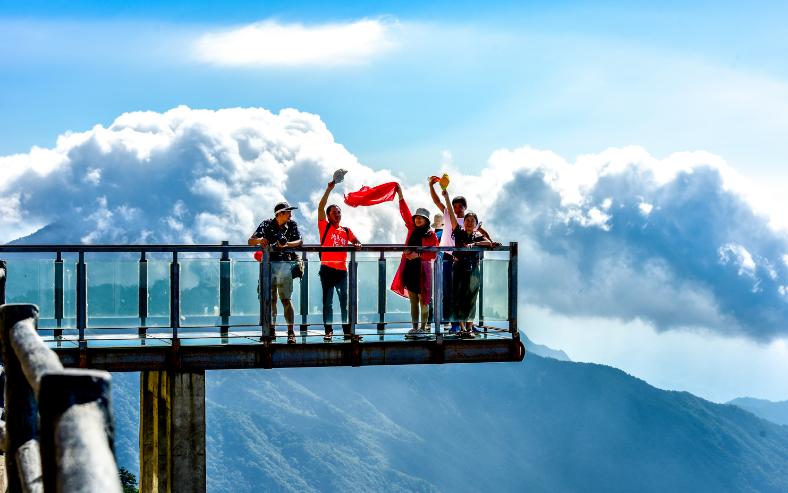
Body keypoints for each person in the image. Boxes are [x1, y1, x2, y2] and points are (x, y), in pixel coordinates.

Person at [428, 178, 494, 332]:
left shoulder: (469, 222)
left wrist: (489, 242)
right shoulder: (450, 216)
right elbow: (437, 201)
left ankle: (465, 324)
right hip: (449, 257)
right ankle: (454, 324)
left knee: (467, 294)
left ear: (465, 208)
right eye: (455, 206)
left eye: (460, 206)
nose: (457, 209)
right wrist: (432, 186)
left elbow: (483, 235)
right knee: (450, 292)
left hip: (466, 260)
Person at [248, 201, 303, 344]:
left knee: (286, 299)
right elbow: (251, 241)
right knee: (270, 300)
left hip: (285, 266)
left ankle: (291, 332)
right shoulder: (266, 224)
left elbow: (299, 241)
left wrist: (284, 245)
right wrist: (261, 240)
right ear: (280, 214)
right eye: (288, 212)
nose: (290, 215)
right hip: (268, 266)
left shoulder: (292, 225)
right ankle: (271, 330)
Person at [390, 184, 440, 337]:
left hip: (423, 271)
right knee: (413, 300)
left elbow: (434, 253)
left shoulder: (431, 235)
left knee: (423, 300)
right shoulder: (412, 229)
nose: (418, 220)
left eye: (421, 218)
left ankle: (423, 328)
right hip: (410, 269)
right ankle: (414, 327)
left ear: (426, 221)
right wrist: (400, 195)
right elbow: (405, 213)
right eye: (417, 217)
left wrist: (418, 255)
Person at [441, 188, 491, 338]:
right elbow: (451, 213)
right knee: (459, 297)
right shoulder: (459, 232)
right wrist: (447, 197)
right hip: (458, 268)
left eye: (472, 221)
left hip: (474, 269)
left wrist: (473, 246)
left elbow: (488, 242)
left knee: (471, 298)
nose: (469, 223)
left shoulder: (477, 236)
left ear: (476, 223)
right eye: (467, 220)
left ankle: (469, 328)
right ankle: (463, 328)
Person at [317, 180, 363, 342]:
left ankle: (347, 332)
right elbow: (320, 208)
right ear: (329, 215)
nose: (337, 214)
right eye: (334, 212)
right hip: (327, 269)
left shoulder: (346, 230)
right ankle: (328, 331)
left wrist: (357, 244)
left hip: (342, 271)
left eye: (339, 212)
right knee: (327, 302)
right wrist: (329, 189)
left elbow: (356, 241)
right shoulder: (325, 226)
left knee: (345, 302)